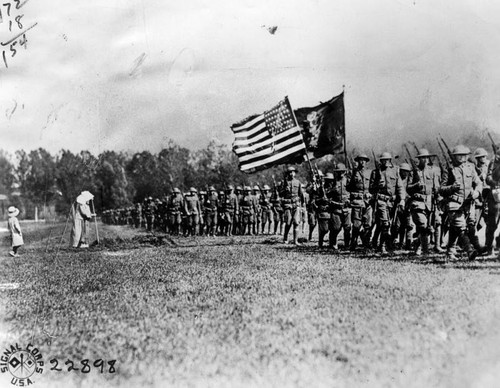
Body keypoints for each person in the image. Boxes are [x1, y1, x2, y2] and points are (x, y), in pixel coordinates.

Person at [439, 145, 482, 262]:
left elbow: (478, 182)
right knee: (460, 227)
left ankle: (450, 252)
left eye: (464, 155)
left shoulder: (471, 167)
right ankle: (470, 250)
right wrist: (452, 188)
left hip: (468, 204)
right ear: (454, 156)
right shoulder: (449, 169)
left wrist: (477, 192)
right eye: (459, 155)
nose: (462, 158)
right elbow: (441, 189)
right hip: (454, 204)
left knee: (455, 228)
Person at [369, 152, 405, 254]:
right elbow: (371, 189)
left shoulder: (395, 171)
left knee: (390, 225)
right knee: (385, 224)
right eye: (383, 160)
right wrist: (377, 185)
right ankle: (383, 246)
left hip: (392, 202)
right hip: (380, 200)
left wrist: (402, 199)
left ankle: (381, 244)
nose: (385, 162)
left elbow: (400, 186)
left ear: (390, 161)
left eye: (387, 160)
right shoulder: (375, 172)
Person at [407, 150, 441, 256]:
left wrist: (438, 197)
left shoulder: (433, 171)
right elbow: (408, 188)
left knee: (432, 227)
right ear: (419, 159)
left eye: (426, 158)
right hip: (418, 202)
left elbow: (437, 187)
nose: (425, 160)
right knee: (422, 225)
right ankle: (425, 252)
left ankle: (417, 243)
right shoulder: (413, 172)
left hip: (430, 202)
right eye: (422, 158)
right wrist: (416, 185)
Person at [347, 154, 372, 251]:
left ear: (366, 162)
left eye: (364, 160)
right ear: (358, 161)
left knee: (368, 224)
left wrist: (370, 193)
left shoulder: (370, 173)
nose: (362, 162)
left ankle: (366, 244)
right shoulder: (353, 172)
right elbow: (348, 187)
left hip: (367, 202)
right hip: (357, 201)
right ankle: (353, 243)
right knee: (357, 224)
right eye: (360, 160)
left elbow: (373, 186)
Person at [327, 163, 351, 250]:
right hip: (336, 208)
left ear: (345, 172)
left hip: (346, 208)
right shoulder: (333, 182)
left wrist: (349, 199)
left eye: (342, 172)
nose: (340, 173)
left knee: (347, 227)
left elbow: (353, 191)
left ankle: (347, 244)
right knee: (336, 228)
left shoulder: (348, 181)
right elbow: (327, 194)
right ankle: (333, 243)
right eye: (338, 172)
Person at [280, 166, 304, 245]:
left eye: (293, 172)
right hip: (288, 204)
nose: (291, 174)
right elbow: (280, 194)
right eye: (290, 172)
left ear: (295, 173)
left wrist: (302, 203)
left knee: (296, 222)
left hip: (296, 204)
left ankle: (295, 240)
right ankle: (285, 237)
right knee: (288, 222)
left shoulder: (298, 182)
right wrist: (284, 189)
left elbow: (301, 194)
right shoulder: (284, 182)